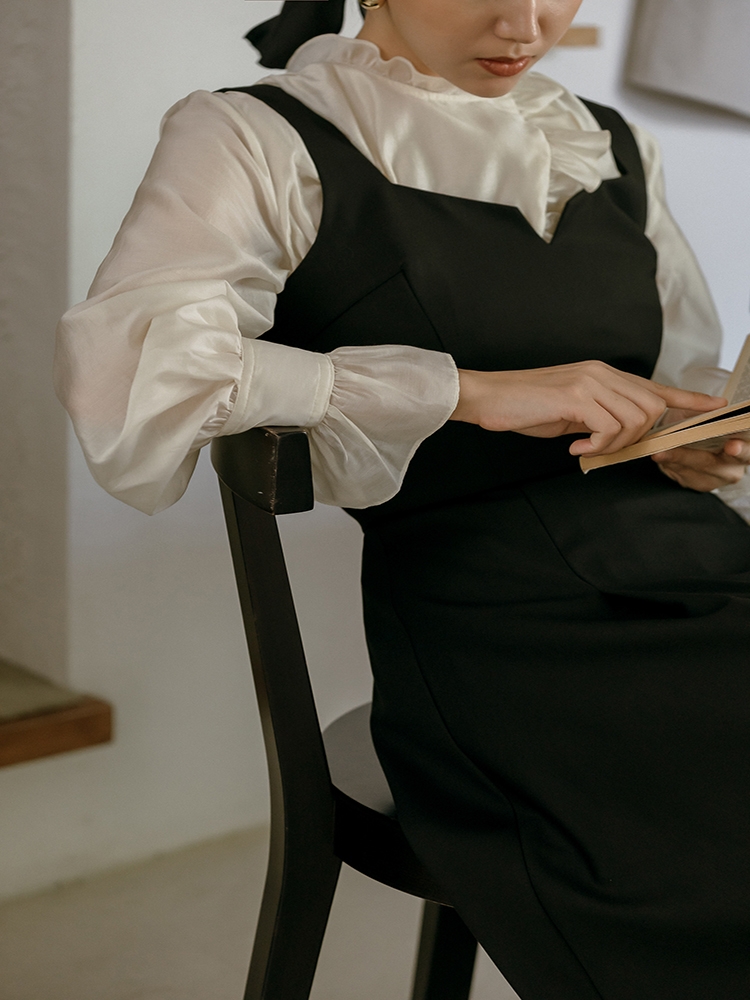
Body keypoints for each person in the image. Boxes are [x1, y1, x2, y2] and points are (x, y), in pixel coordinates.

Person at [55, 1, 750, 996]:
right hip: (499, 630)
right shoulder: (257, 134)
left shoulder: (607, 143)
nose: (529, 22)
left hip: (699, 566)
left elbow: (675, 371)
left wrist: (696, 442)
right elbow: (132, 377)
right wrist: (464, 391)